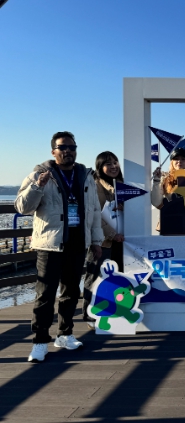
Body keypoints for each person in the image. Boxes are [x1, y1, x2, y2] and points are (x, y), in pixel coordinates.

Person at [15, 131, 103, 362]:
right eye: (62, 147)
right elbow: (22, 207)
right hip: (50, 244)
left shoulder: (85, 176)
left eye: (72, 147)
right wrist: (37, 186)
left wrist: (96, 241)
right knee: (45, 294)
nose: (68, 151)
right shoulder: (39, 174)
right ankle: (39, 341)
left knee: (71, 292)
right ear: (53, 151)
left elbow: (94, 211)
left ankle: (65, 334)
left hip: (77, 242)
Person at [82, 151, 125, 329]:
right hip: (101, 240)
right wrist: (111, 234)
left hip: (121, 240)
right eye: (108, 164)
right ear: (100, 167)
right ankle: (89, 314)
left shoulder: (122, 184)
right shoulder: (93, 185)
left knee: (117, 277)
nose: (113, 166)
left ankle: (113, 312)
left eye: (115, 162)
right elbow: (93, 214)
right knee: (95, 276)